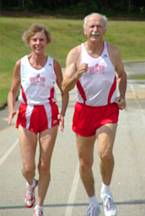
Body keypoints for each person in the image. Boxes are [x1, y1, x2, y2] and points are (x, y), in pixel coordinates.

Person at [62, 12, 127, 216]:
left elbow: (122, 74)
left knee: (105, 153)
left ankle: (106, 192)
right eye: (91, 26)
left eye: (99, 26)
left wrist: (122, 95)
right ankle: (92, 202)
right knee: (84, 162)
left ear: (104, 29)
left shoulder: (113, 52)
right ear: (84, 29)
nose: (95, 30)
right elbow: (64, 86)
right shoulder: (75, 54)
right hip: (84, 111)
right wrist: (77, 74)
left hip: (107, 110)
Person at [7, 24, 68, 216]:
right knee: (28, 167)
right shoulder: (21, 64)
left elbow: (64, 90)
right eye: (34, 39)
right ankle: (30, 183)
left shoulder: (53, 64)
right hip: (26, 114)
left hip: (49, 114)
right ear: (29, 41)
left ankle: (39, 206)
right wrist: (11, 110)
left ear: (47, 41)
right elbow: (12, 91)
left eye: (41, 39)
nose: (38, 43)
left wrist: (63, 112)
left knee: (44, 164)